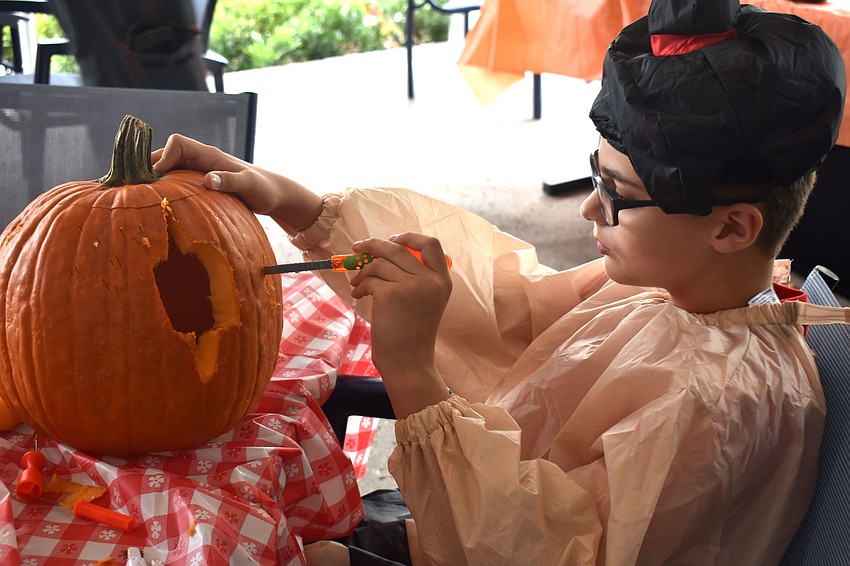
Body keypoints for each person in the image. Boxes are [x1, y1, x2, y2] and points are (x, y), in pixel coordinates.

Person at [152, 0, 850, 563]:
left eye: (616, 193)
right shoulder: (676, 288)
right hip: (457, 524)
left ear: (732, 228)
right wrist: (298, 205)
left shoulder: (712, 411)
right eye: (594, 173)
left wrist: (415, 376)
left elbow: (546, 552)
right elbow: (515, 307)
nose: (585, 207)